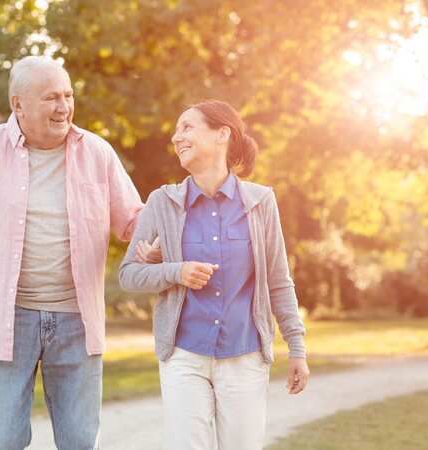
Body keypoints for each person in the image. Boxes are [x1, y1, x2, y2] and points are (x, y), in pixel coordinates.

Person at [0, 56, 143, 450]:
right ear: (18, 104)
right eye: (50, 98)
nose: (63, 107)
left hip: (77, 318)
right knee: (1, 439)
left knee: (79, 440)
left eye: (68, 95)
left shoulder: (96, 152)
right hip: (5, 317)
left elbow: (133, 222)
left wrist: (170, 232)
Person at [119, 99, 309, 450]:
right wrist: (176, 271)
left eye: (187, 127)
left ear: (222, 134)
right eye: (176, 131)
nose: (177, 137)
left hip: (244, 355)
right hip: (183, 355)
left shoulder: (260, 202)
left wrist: (296, 347)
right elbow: (129, 274)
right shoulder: (163, 203)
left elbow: (279, 281)